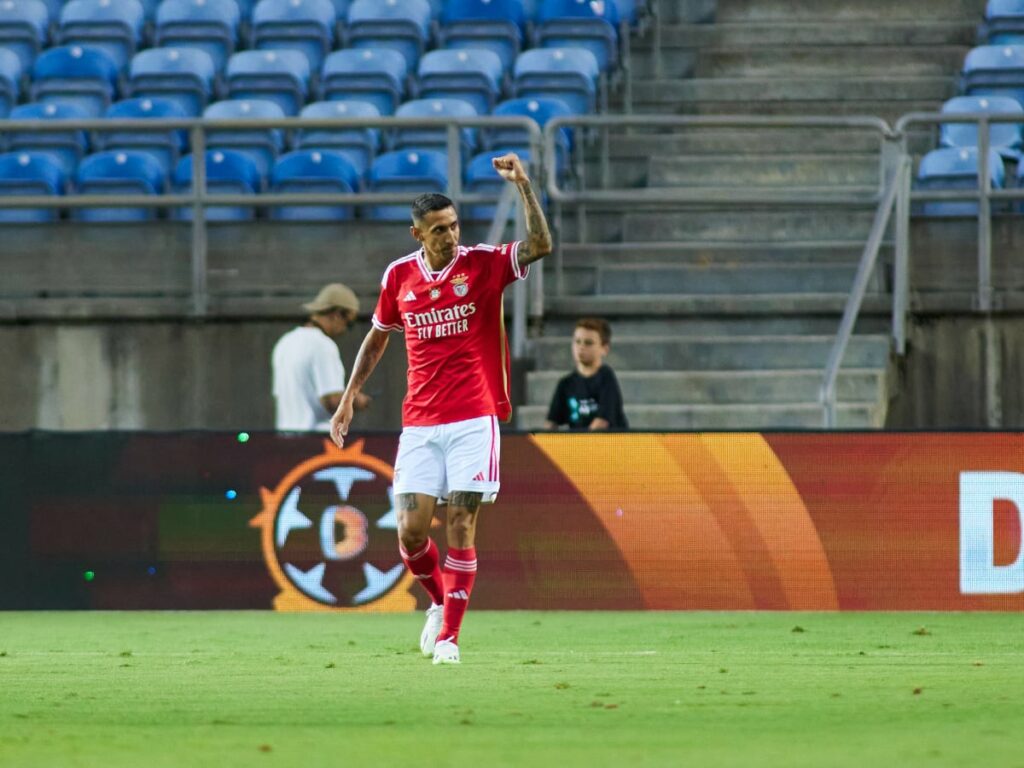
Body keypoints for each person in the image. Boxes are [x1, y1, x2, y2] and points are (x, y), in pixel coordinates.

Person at [330, 152, 552, 665]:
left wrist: (523, 186)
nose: (450, 236)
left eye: (453, 226)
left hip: (474, 418)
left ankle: (450, 638)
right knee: (410, 533)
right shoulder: (398, 277)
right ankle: (438, 604)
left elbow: (541, 245)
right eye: (438, 230)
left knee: (460, 524)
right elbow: (377, 338)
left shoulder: (482, 264)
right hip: (421, 423)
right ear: (417, 234)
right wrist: (346, 400)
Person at [272, 283, 370, 432]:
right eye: (349, 324)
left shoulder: (285, 342)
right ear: (337, 314)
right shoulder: (323, 345)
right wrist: (356, 400)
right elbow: (332, 400)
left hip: (285, 437)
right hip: (316, 440)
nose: (345, 331)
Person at [544, 317, 628, 431]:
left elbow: (601, 423)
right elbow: (551, 423)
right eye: (577, 341)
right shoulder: (565, 384)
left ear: (604, 349)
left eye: (588, 343)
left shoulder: (606, 378)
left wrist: (580, 446)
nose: (581, 347)